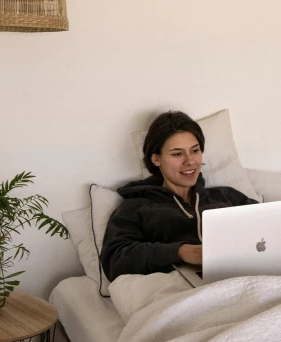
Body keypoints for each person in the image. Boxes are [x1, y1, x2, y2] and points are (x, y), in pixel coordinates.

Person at [100, 111, 258, 281]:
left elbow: (271, 231)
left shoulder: (227, 197)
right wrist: (181, 252)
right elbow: (115, 260)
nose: (190, 161)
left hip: (247, 279)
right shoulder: (136, 208)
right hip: (182, 290)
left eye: (195, 150)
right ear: (156, 159)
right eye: (177, 154)